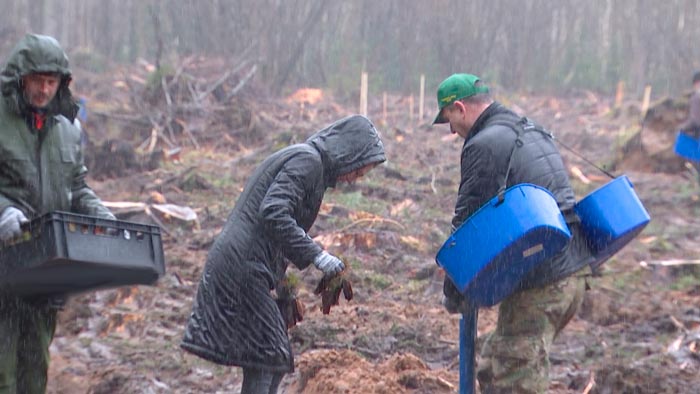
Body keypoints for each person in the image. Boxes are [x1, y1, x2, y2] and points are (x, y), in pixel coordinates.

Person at [181, 114, 386, 394]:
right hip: (242, 266)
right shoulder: (308, 162)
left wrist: (282, 290)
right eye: (358, 170)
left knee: (265, 355)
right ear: (347, 152)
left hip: (248, 266)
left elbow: (274, 230)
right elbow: (273, 212)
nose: (354, 179)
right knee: (270, 354)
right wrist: (317, 255)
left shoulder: (309, 163)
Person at [432, 73, 594, 393]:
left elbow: (468, 225)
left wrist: (454, 289)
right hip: (573, 273)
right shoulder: (530, 129)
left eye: (448, 118)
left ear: (460, 108)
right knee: (495, 364)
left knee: (514, 378)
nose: (451, 130)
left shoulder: (484, 144)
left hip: (544, 279)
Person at [0, 34, 115, 393]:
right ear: (21, 78)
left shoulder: (67, 128)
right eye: (37, 80)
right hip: (3, 260)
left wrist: (103, 216)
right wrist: (3, 213)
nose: (44, 89)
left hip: (47, 262)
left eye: (51, 82)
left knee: (36, 363)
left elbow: (76, 186)